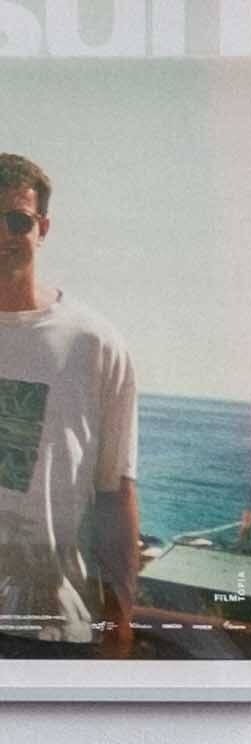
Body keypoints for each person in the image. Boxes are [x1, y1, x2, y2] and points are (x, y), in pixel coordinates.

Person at [0, 151, 140, 661]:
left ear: (43, 228)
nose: (3, 235)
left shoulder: (93, 344)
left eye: (17, 220)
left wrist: (121, 623)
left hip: (50, 629)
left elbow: (115, 493)